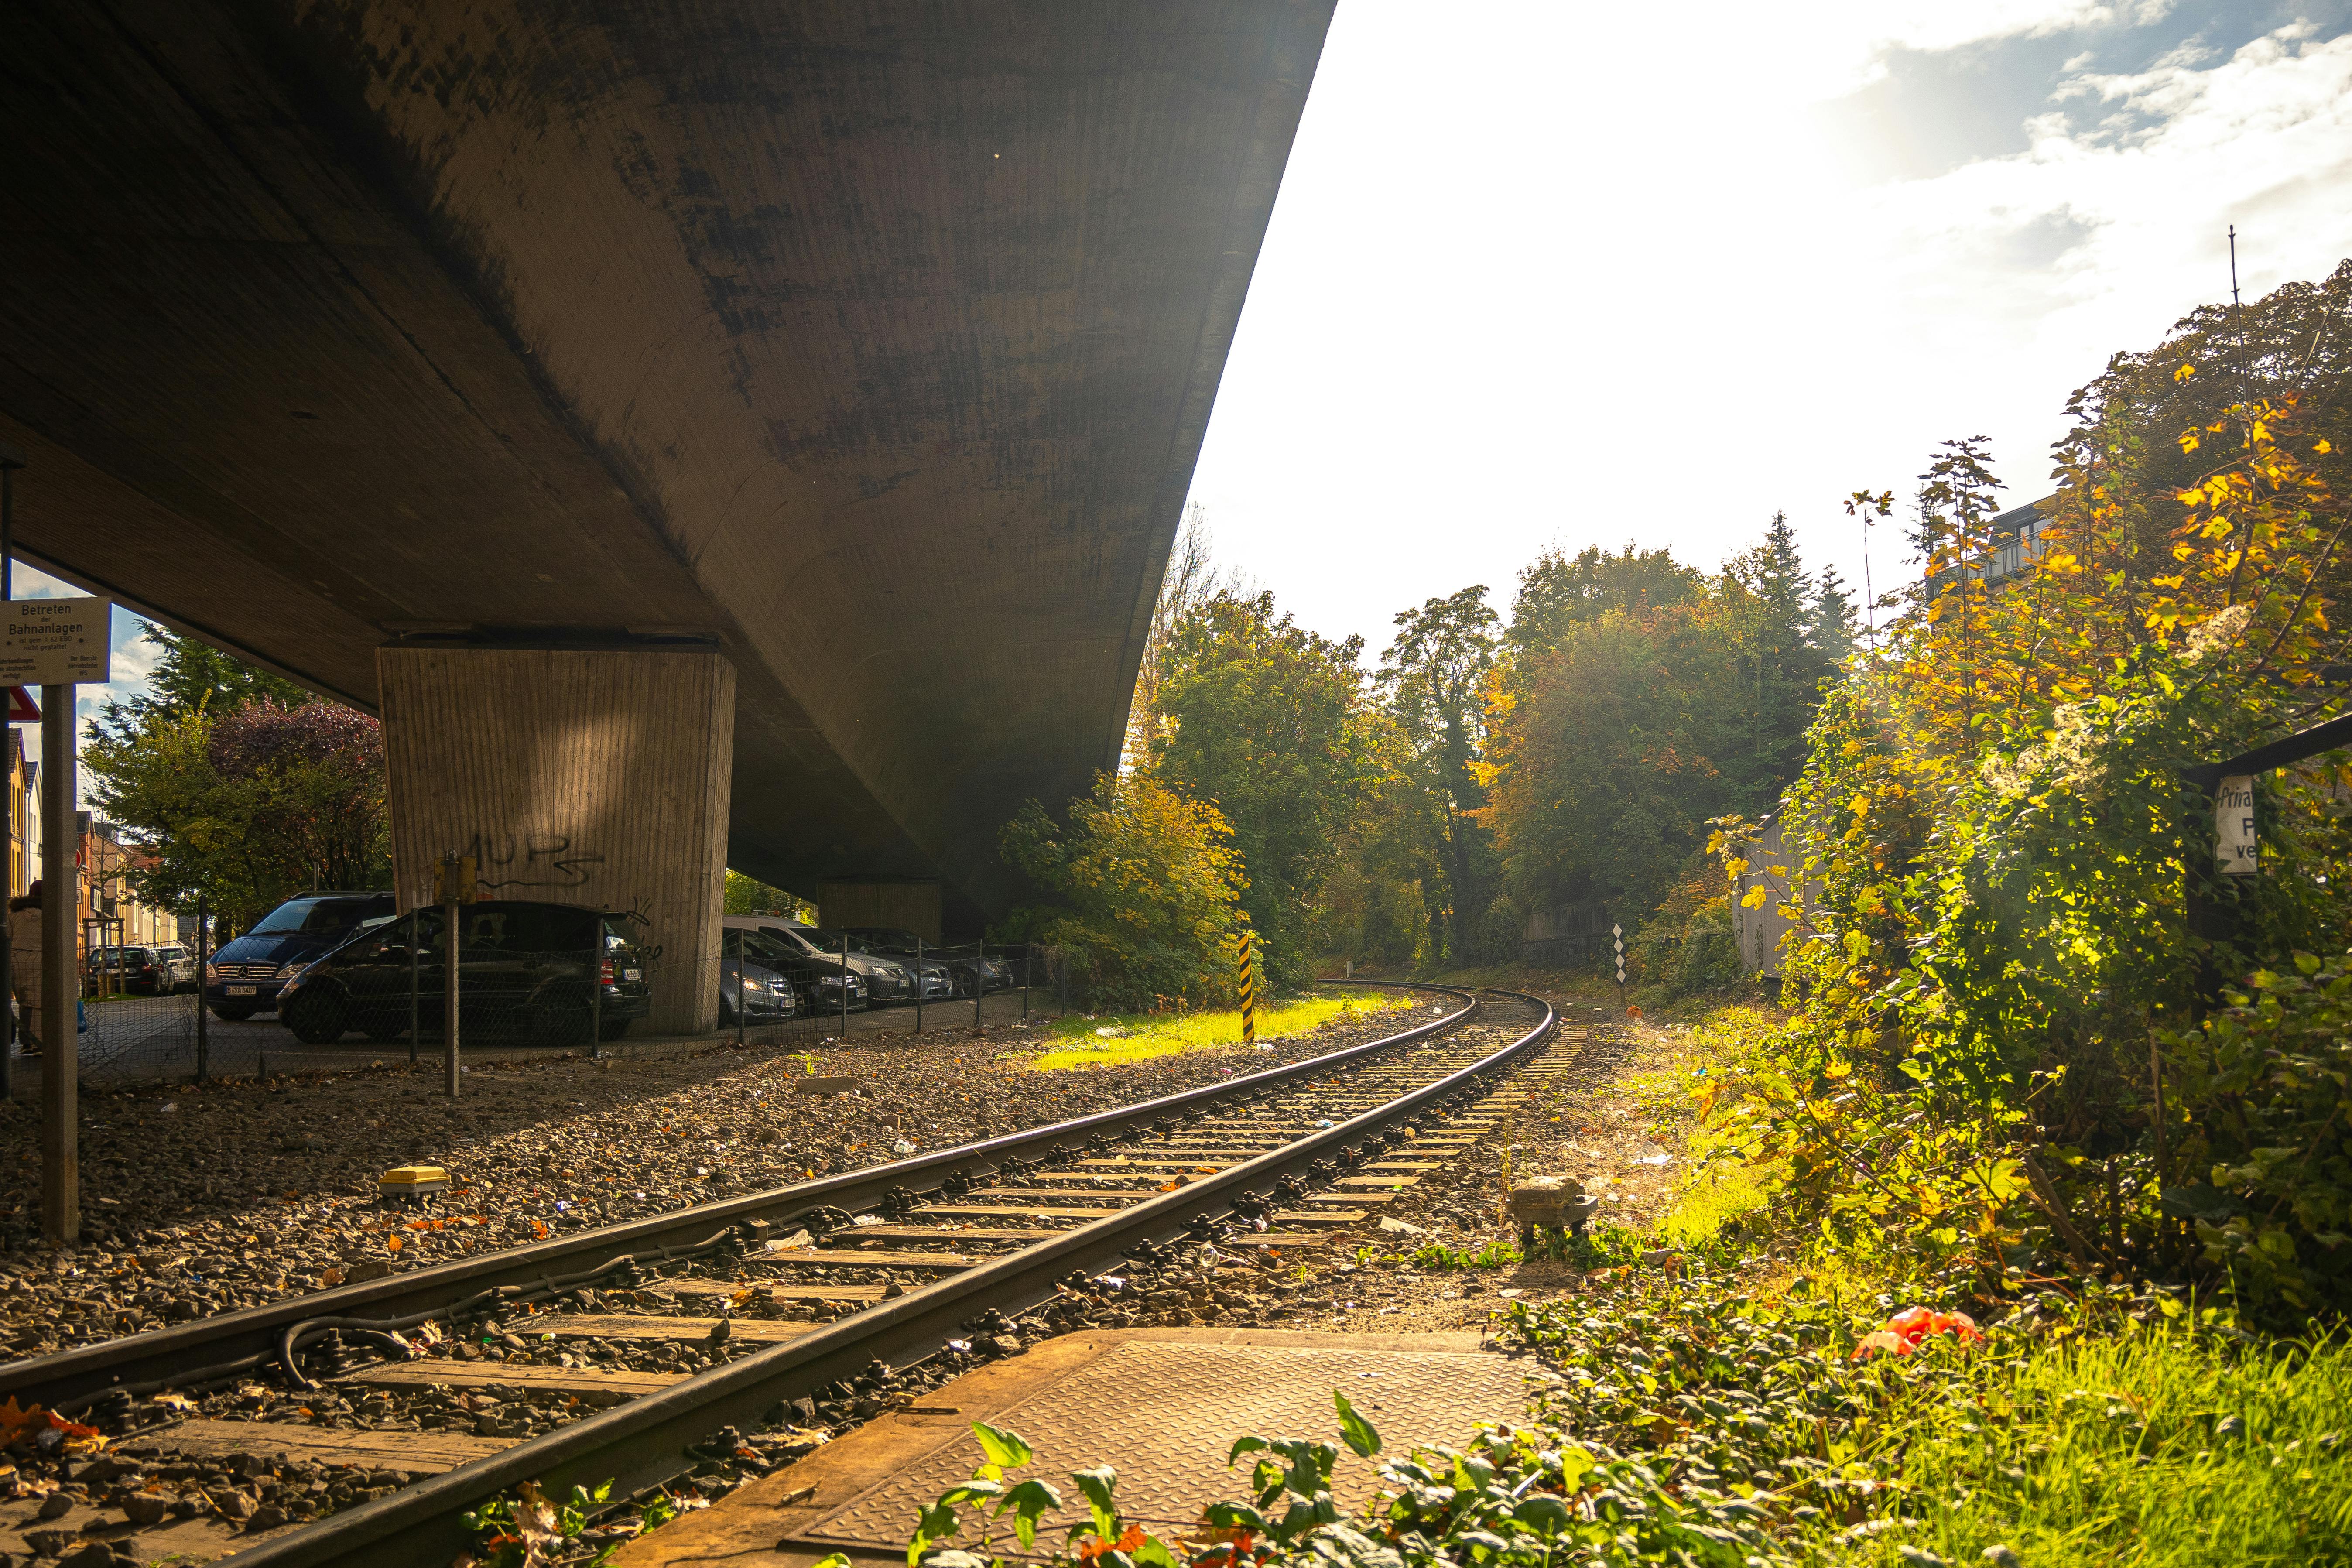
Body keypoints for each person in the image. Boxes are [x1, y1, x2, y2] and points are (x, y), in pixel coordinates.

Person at [7, 879, 39, 1057]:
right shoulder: (50, 912)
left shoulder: (14, 913)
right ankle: (39, 1043)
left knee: (25, 1002)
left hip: (18, 961)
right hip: (43, 959)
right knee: (42, 1004)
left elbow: (7, 936)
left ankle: (26, 1043)